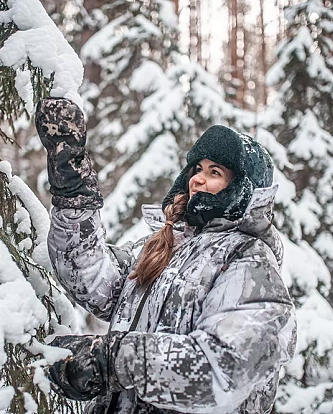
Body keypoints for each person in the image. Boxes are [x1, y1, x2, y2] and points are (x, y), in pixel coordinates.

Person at [35, 97, 297, 414]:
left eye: (215, 172)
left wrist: (111, 360)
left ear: (243, 188)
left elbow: (223, 370)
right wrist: (73, 189)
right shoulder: (166, 245)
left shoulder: (251, 262)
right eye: (197, 169)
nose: (197, 178)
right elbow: (91, 279)